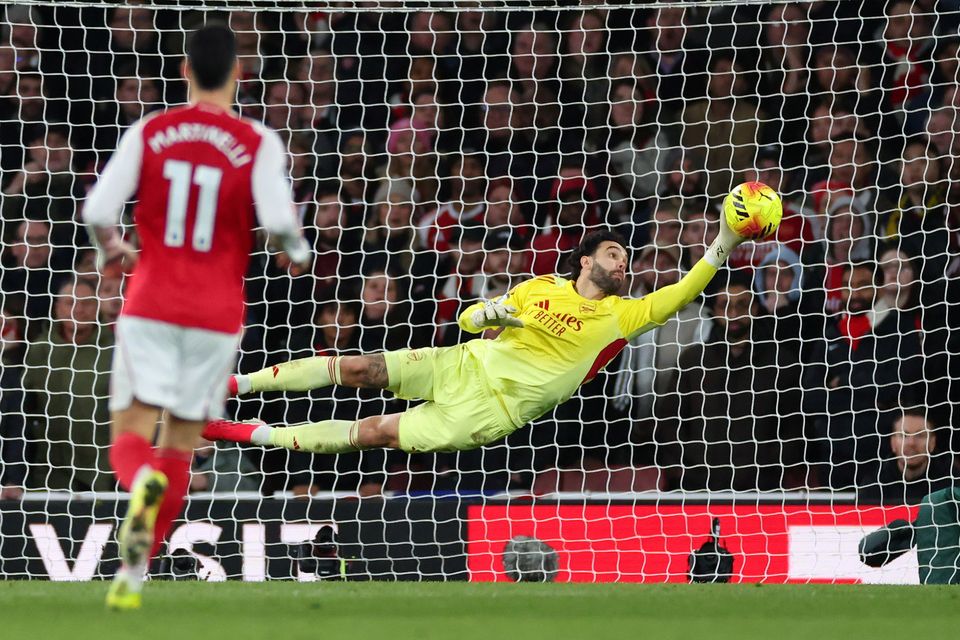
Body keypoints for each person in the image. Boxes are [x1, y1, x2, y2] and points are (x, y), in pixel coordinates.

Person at [203, 218, 753, 472]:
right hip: (462, 364)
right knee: (358, 368)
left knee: (373, 432)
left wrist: (724, 240)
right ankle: (236, 384)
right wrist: (487, 311)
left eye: (626, 261)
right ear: (586, 261)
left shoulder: (623, 316)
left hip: (490, 411)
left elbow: (684, 289)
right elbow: (471, 322)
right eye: (613, 254)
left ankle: (241, 430)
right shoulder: (540, 287)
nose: (623, 263)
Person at [80, 24, 309, 610]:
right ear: (238, 73)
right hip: (217, 313)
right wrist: (297, 252)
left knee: (130, 437)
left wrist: (112, 250)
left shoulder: (151, 131)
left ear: (184, 70)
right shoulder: (256, 139)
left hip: (151, 302)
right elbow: (282, 222)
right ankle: (133, 577)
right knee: (181, 446)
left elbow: (99, 208)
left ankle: (139, 486)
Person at [859, 409, 956, 505]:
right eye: (904, 435)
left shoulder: (953, 483)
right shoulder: (873, 484)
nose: (911, 443)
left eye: (920, 435)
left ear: (932, 443)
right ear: (893, 443)